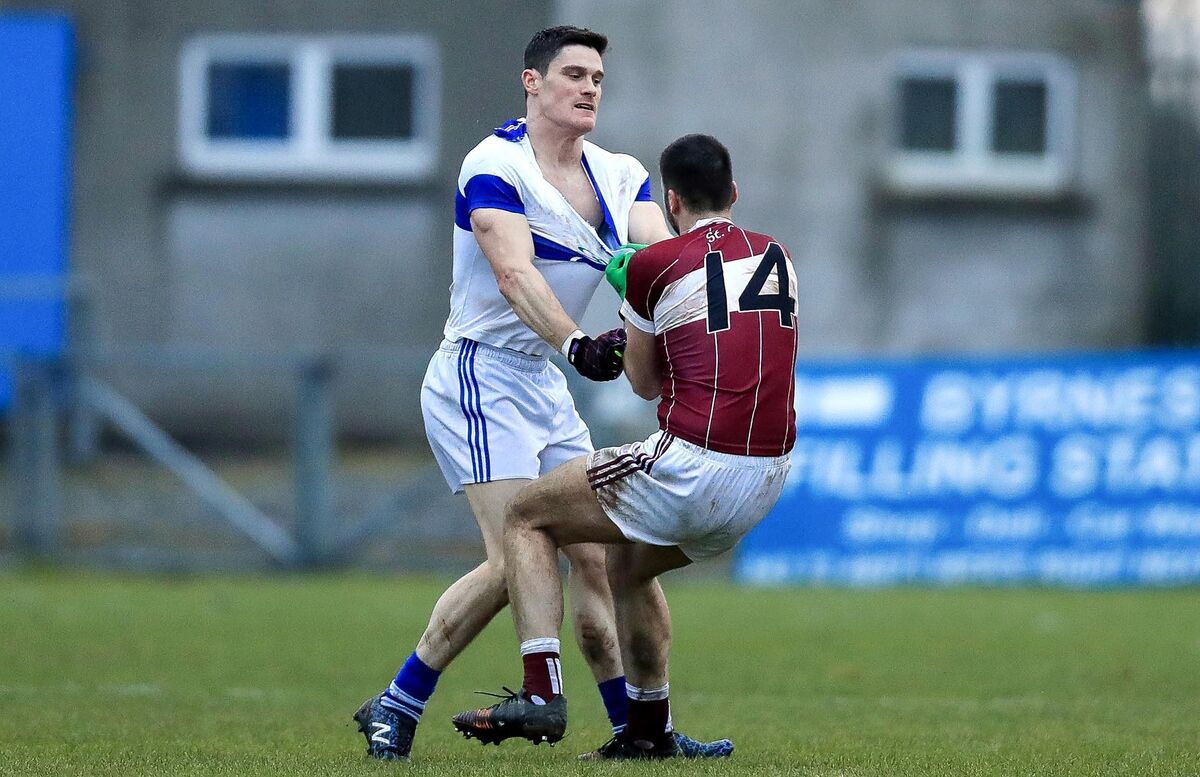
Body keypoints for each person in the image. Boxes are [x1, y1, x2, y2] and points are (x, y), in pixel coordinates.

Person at [351, 27, 728, 761]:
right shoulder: (493, 164)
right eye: (574, 75)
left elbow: (661, 257)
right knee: (514, 554)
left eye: (598, 78)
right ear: (532, 83)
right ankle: (395, 703)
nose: (590, 88)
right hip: (479, 374)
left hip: (544, 382)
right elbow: (515, 274)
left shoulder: (619, 175)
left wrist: (703, 306)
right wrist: (577, 344)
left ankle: (636, 732)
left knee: (593, 558)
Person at [452, 133, 798, 759]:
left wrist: (630, 298)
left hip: (692, 462)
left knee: (527, 514)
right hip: (768, 474)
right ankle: (646, 733)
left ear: (671, 202)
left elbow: (643, 382)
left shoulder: (652, 265)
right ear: (735, 193)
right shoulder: (777, 256)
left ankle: (539, 692)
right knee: (630, 568)